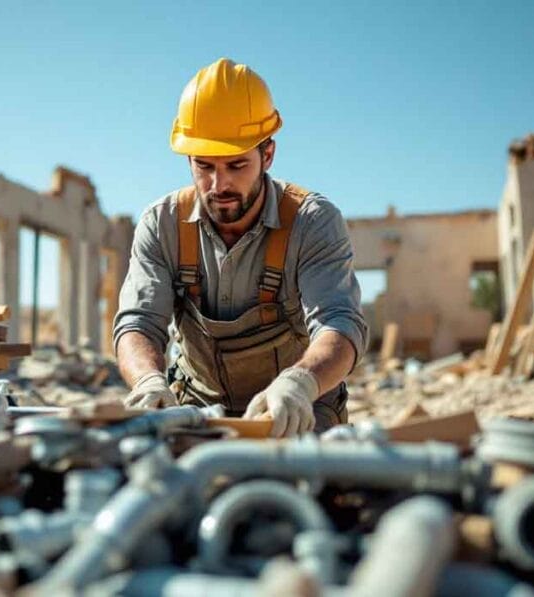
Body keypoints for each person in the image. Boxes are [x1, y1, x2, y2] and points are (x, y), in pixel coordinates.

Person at [112, 58, 368, 438]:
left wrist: (301, 382)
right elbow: (138, 323)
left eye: (236, 165)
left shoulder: (312, 222)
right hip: (196, 409)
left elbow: (340, 324)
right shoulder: (162, 224)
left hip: (298, 410)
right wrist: (148, 381)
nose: (219, 185)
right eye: (204, 167)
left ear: (267, 155)